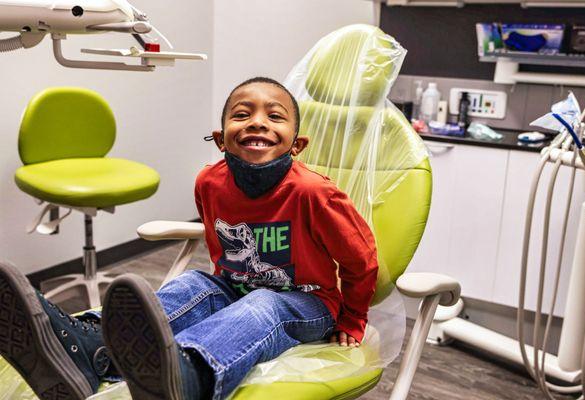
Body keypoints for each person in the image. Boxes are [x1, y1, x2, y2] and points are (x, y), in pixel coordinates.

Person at [0, 77, 378, 400]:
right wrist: (213, 297)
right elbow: (222, 255)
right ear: (220, 139)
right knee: (195, 284)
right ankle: (89, 346)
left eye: (274, 116)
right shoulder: (209, 182)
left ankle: (190, 374)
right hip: (236, 287)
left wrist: (353, 318)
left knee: (265, 302)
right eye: (242, 115)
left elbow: (362, 260)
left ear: (297, 145)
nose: (258, 123)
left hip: (309, 302)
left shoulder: (314, 193)